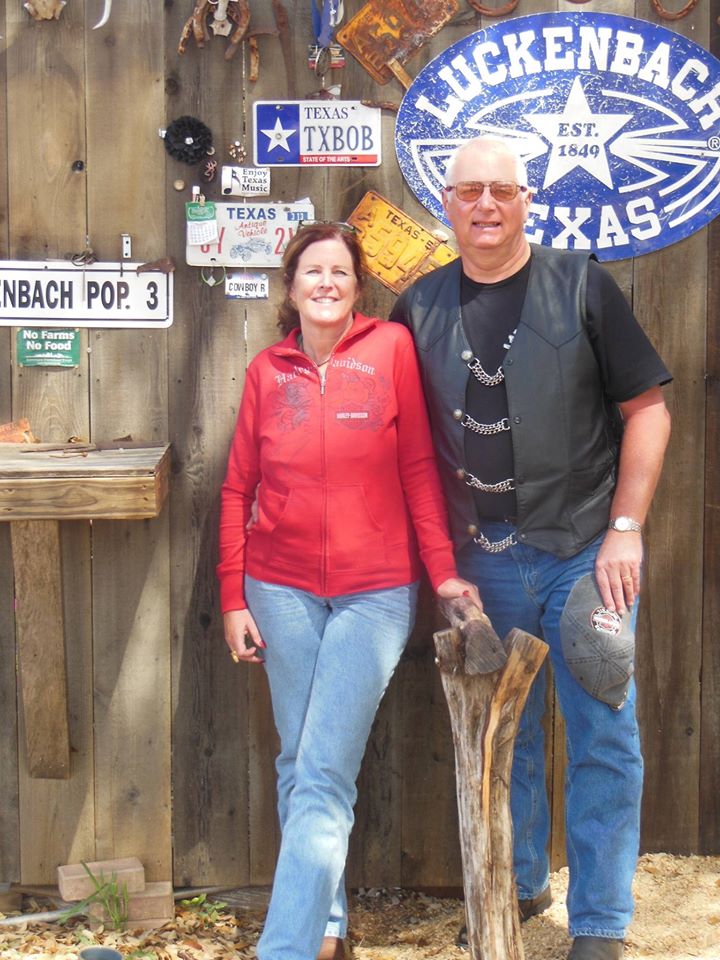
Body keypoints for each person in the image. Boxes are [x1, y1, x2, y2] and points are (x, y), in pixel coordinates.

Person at [389, 136, 672, 960]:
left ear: (526, 201)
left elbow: (648, 410)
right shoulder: (421, 308)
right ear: (447, 202)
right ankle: (517, 884)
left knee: (604, 735)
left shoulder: (581, 287)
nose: (486, 206)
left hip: (587, 553)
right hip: (479, 564)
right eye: (470, 191)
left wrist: (625, 530)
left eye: (502, 192)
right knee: (495, 739)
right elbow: (406, 447)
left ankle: (599, 924)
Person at [217, 222, 481, 960]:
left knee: (324, 767)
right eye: (312, 271)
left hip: (376, 592)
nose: (326, 283)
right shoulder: (268, 370)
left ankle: (285, 949)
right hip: (279, 587)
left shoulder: (390, 351)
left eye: (339, 271)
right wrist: (234, 597)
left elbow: (420, 472)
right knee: (298, 762)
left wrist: (443, 572)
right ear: (292, 287)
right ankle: (327, 929)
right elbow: (238, 486)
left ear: (358, 287)